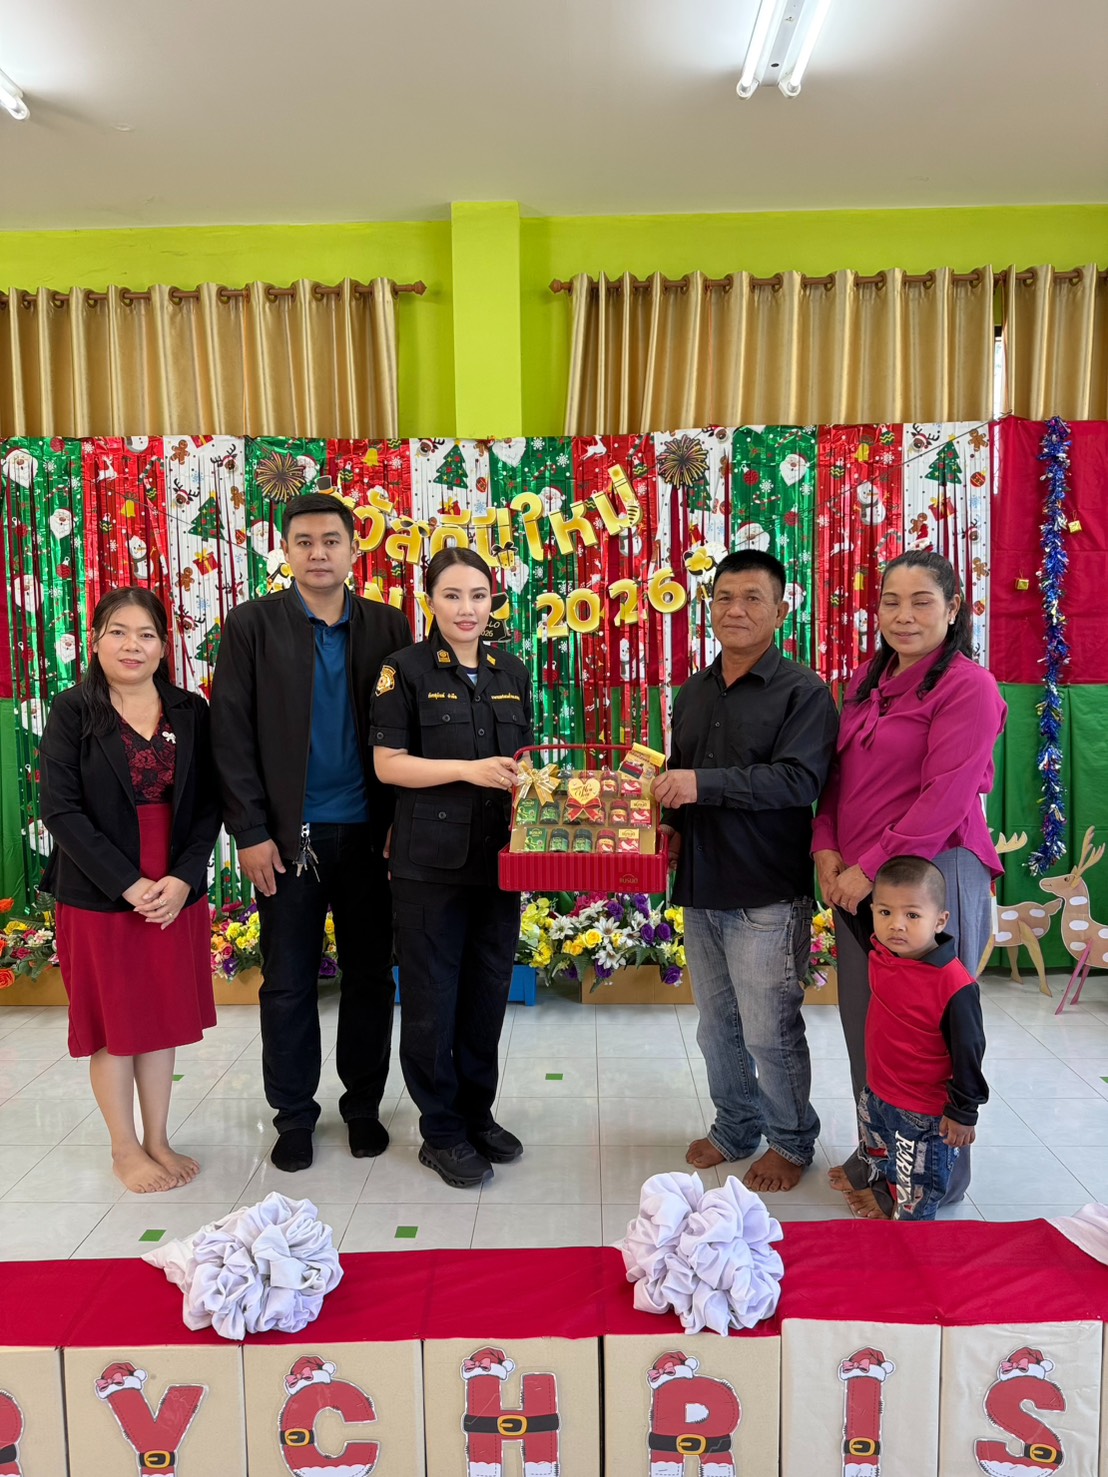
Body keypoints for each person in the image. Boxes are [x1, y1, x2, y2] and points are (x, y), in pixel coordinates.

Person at [210, 492, 411, 1173]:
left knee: (369, 977)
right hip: (284, 840)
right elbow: (230, 733)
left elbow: (408, 730)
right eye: (304, 541)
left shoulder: (387, 624)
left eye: (331, 540)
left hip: (369, 835)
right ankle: (293, 1114)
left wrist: (399, 824)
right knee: (288, 981)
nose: (318, 552)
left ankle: (362, 1107)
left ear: (354, 549)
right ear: (286, 550)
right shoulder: (252, 625)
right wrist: (249, 831)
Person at [812, 548, 1007, 1216]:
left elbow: (945, 797)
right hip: (856, 881)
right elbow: (837, 778)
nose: (904, 615)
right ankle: (879, 1154)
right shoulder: (867, 679)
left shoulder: (969, 687)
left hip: (930, 875)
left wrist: (869, 869)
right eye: (891, 601)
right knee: (870, 1029)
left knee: (930, 1039)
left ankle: (936, 1179)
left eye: (922, 601)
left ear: (952, 610)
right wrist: (826, 847)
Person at [655, 550, 839, 1193]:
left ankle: (791, 1139)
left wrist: (700, 786)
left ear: (781, 611)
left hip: (766, 891)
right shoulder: (694, 690)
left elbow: (799, 781)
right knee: (716, 1028)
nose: (736, 610)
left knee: (770, 1031)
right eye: (724, 598)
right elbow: (676, 772)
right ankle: (736, 1126)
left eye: (752, 598)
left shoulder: (804, 691)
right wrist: (669, 826)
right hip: (701, 886)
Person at [39, 588, 221, 1194]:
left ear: (164, 646)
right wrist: (128, 883)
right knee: (115, 1023)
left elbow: (209, 804)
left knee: (160, 1017)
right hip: (100, 888)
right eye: (118, 632)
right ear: (95, 641)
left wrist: (183, 877)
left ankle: (159, 1139)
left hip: (173, 887)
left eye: (146, 635)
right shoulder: (73, 711)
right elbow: (60, 811)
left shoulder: (190, 710)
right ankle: (124, 1147)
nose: (132, 646)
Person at [371, 547, 532, 1190]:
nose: (467, 609)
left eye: (479, 595)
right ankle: (440, 1131)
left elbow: (523, 760)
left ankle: (476, 1113)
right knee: (433, 996)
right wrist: (469, 770)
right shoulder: (403, 669)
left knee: (488, 991)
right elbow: (388, 764)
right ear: (429, 601)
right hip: (429, 863)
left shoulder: (510, 669)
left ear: (494, 602)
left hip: (499, 860)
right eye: (452, 595)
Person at [854, 855, 988, 1221]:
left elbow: (969, 1050)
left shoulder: (954, 984)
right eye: (885, 912)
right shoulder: (882, 952)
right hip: (876, 1094)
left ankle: (911, 1243)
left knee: (916, 1196)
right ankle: (886, 1204)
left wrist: (963, 1111)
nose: (896, 925)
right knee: (883, 1166)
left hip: (922, 1114)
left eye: (912, 915)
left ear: (940, 921)